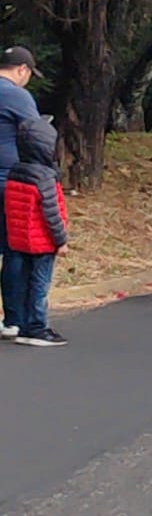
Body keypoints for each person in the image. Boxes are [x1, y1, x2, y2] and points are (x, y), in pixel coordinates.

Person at [3, 117, 67, 346]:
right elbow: (52, 213)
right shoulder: (46, 177)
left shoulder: (15, 172)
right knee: (40, 284)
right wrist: (61, 240)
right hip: (42, 242)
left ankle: (19, 323)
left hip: (19, 239)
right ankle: (38, 328)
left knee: (21, 281)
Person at [0, 46, 44, 339]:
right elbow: (37, 136)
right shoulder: (17, 95)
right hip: (7, 180)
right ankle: (13, 319)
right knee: (13, 249)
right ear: (22, 70)